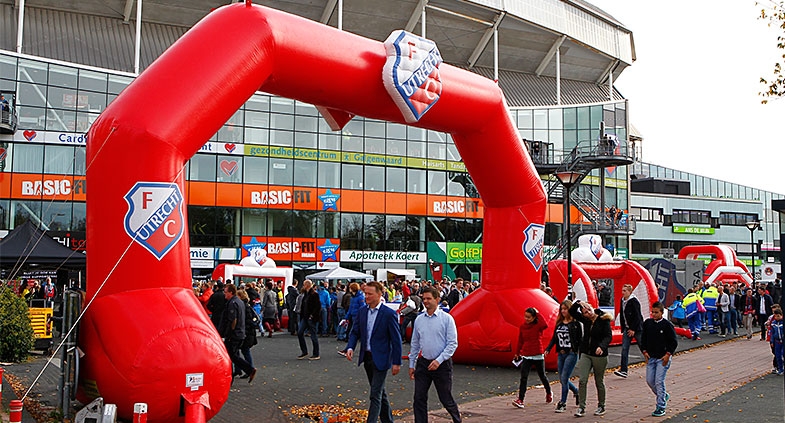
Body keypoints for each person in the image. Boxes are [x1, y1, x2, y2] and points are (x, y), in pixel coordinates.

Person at [344, 281, 402, 423]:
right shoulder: (362, 311)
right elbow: (355, 332)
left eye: (370, 294)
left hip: (382, 359)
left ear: (379, 294)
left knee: (375, 394)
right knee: (380, 392)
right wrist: (350, 347)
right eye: (365, 293)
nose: (366, 296)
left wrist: (397, 362)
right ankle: (388, 420)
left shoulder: (388, 314)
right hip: (367, 357)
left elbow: (396, 340)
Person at [408, 287, 461, 423]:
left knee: (445, 398)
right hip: (424, 362)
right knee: (419, 398)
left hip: (442, 364)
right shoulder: (419, 319)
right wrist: (411, 364)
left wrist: (439, 360)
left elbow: (452, 343)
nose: (425, 301)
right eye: (424, 298)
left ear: (437, 299)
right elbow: (415, 343)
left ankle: (457, 419)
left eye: (429, 298)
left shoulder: (447, 319)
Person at [569, 299, 612, 417]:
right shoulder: (586, 320)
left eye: (588, 309)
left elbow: (608, 336)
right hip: (586, 353)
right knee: (582, 380)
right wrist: (578, 303)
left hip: (599, 355)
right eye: (585, 312)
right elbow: (572, 312)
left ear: (592, 307)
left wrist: (602, 346)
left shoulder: (603, 319)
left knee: (599, 381)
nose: (588, 312)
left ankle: (601, 405)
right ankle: (581, 407)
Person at [640, 301, 678, 417]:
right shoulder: (648, 323)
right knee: (650, 380)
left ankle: (661, 406)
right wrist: (644, 351)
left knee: (659, 381)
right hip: (651, 357)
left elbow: (673, 341)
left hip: (662, 357)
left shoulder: (667, 325)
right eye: (653, 312)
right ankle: (663, 395)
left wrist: (668, 354)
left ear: (661, 312)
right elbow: (643, 338)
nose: (654, 314)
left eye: (656, 312)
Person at [511, 307, 553, 409]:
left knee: (542, 376)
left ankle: (548, 392)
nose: (526, 319)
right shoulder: (523, 327)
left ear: (534, 317)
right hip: (526, 354)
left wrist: (538, 313)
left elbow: (544, 324)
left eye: (529, 317)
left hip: (537, 354)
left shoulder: (538, 325)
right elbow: (520, 340)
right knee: (523, 377)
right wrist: (517, 353)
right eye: (525, 316)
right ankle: (520, 399)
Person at [544, 299, 580, 413]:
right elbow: (554, 338)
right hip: (561, 353)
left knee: (564, 377)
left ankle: (562, 402)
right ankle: (576, 391)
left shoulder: (575, 324)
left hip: (571, 353)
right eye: (562, 309)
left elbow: (580, 338)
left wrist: (578, 350)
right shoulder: (559, 323)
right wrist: (548, 348)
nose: (563, 311)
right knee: (562, 378)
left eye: (565, 309)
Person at [220, 284, 257, 384]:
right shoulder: (239, 302)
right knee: (234, 354)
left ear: (231, 292)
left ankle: (248, 369)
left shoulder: (232, 303)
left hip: (234, 334)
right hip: (240, 333)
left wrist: (229, 334)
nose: (224, 294)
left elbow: (233, 320)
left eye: (226, 292)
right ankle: (245, 370)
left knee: (231, 355)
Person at [614, 284, 643, 378]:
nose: (623, 292)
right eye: (622, 290)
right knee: (624, 348)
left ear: (630, 292)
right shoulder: (622, 300)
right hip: (627, 328)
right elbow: (622, 314)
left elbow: (638, 316)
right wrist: (624, 327)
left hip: (636, 329)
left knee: (643, 347)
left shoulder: (634, 301)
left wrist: (633, 329)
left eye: (625, 291)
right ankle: (624, 370)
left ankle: (653, 362)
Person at [297, 279, 321, 360]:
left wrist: (312, 315)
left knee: (313, 335)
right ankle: (304, 351)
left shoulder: (314, 294)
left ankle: (316, 353)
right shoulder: (306, 294)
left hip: (310, 317)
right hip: (305, 316)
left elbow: (317, 307)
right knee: (300, 332)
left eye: (304, 285)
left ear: (307, 285)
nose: (303, 286)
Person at [769, 309, 783, 375]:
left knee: (783, 354)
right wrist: (771, 341)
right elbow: (772, 333)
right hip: (777, 341)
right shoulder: (773, 323)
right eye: (775, 316)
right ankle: (780, 369)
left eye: (778, 316)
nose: (777, 317)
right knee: (778, 356)